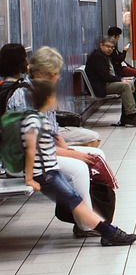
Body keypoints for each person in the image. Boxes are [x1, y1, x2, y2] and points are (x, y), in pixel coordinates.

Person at [4, 46, 110, 237]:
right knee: (79, 169)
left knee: (97, 154)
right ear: (39, 72)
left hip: (43, 154)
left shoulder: (42, 90)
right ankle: (86, 225)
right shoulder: (24, 95)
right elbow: (34, 145)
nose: (56, 78)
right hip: (27, 161)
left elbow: (53, 130)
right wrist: (72, 154)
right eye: (52, 74)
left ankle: (88, 215)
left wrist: (69, 149)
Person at [20, 79, 136, 246]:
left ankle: (109, 233)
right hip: (45, 175)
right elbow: (31, 151)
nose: (56, 100)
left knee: (76, 202)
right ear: (46, 98)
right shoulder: (33, 122)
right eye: (54, 96)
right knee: (76, 203)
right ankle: (110, 233)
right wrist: (29, 178)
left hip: (50, 171)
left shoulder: (39, 119)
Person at [85, 37, 136, 127]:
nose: (110, 49)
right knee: (125, 86)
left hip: (103, 84)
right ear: (101, 45)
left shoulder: (103, 56)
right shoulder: (97, 57)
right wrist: (121, 79)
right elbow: (105, 77)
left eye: (112, 47)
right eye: (107, 46)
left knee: (129, 84)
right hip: (100, 86)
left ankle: (129, 116)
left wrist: (122, 79)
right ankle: (130, 116)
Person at [106, 26, 136, 93]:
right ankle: (132, 92)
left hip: (122, 66)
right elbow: (119, 59)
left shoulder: (114, 46)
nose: (118, 38)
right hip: (120, 69)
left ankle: (132, 91)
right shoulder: (111, 48)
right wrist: (125, 51)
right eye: (118, 37)